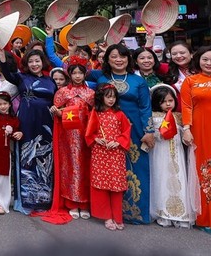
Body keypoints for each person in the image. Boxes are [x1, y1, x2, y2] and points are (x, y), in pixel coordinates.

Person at [87, 44, 153, 224]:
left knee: (136, 169)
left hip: (134, 130)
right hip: (106, 133)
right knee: (107, 173)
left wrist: (149, 131)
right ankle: (109, 213)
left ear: (129, 59)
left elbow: (145, 107)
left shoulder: (138, 81)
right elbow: (74, 69)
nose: (118, 60)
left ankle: (134, 214)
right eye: (114, 56)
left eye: (122, 56)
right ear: (106, 59)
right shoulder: (100, 77)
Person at [0, 46, 57, 214]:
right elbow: (7, 73)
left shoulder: (50, 80)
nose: (34, 64)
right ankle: (25, 200)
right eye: (31, 61)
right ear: (26, 63)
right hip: (26, 122)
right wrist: (2, 56)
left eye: (37, 61)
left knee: (45, 159)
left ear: (42, 62)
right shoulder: (21, 77)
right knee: (26, 158)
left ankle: (44, 200)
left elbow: (57, 100)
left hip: (46, 124)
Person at [48, 58, 94, 221]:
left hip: (85, 134)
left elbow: (95, 114)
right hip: (67, 136)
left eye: (80, 73)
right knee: (70, 166)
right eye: (74, 73)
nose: (77, 76)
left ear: (85, 74)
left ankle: (85, 203)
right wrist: (57, 112)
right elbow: (58, 111)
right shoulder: (62, 93)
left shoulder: (91, 93)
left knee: (85, 167)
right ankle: (71, 202)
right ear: (69, 74)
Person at [180, 46, 211, 233]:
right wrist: (186, 129)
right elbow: (186, 106)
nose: (209, 63)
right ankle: (207, 219)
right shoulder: (190, 81)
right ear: (198, 60)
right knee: (204, 172)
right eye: (205, 59)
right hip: (201, 131)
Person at [86, 84, 132, 231]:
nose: (111, 100)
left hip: (116, 153)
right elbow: (89, 132)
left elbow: (126, 131)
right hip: (100, 152)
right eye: (108, 96)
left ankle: (118, 217)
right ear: (101, 97)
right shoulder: (95, 113)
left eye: (113, 97)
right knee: (102, 184)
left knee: (116, 184)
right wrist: (95, 139)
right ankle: (107, 216)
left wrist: (118, 141)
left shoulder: (120, 114)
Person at [149, 84, 193, 228]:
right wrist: (159, 133)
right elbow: (153, 135)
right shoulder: (154, 117)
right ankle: (163, 212)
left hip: (177, 153)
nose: (168, 104)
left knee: (178, 178)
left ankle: (180, 214)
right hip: (160, 153)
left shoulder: (179, 117)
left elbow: (183, 134)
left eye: (170, 100)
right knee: (161, 178)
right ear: (157, 102)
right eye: (163, 101)